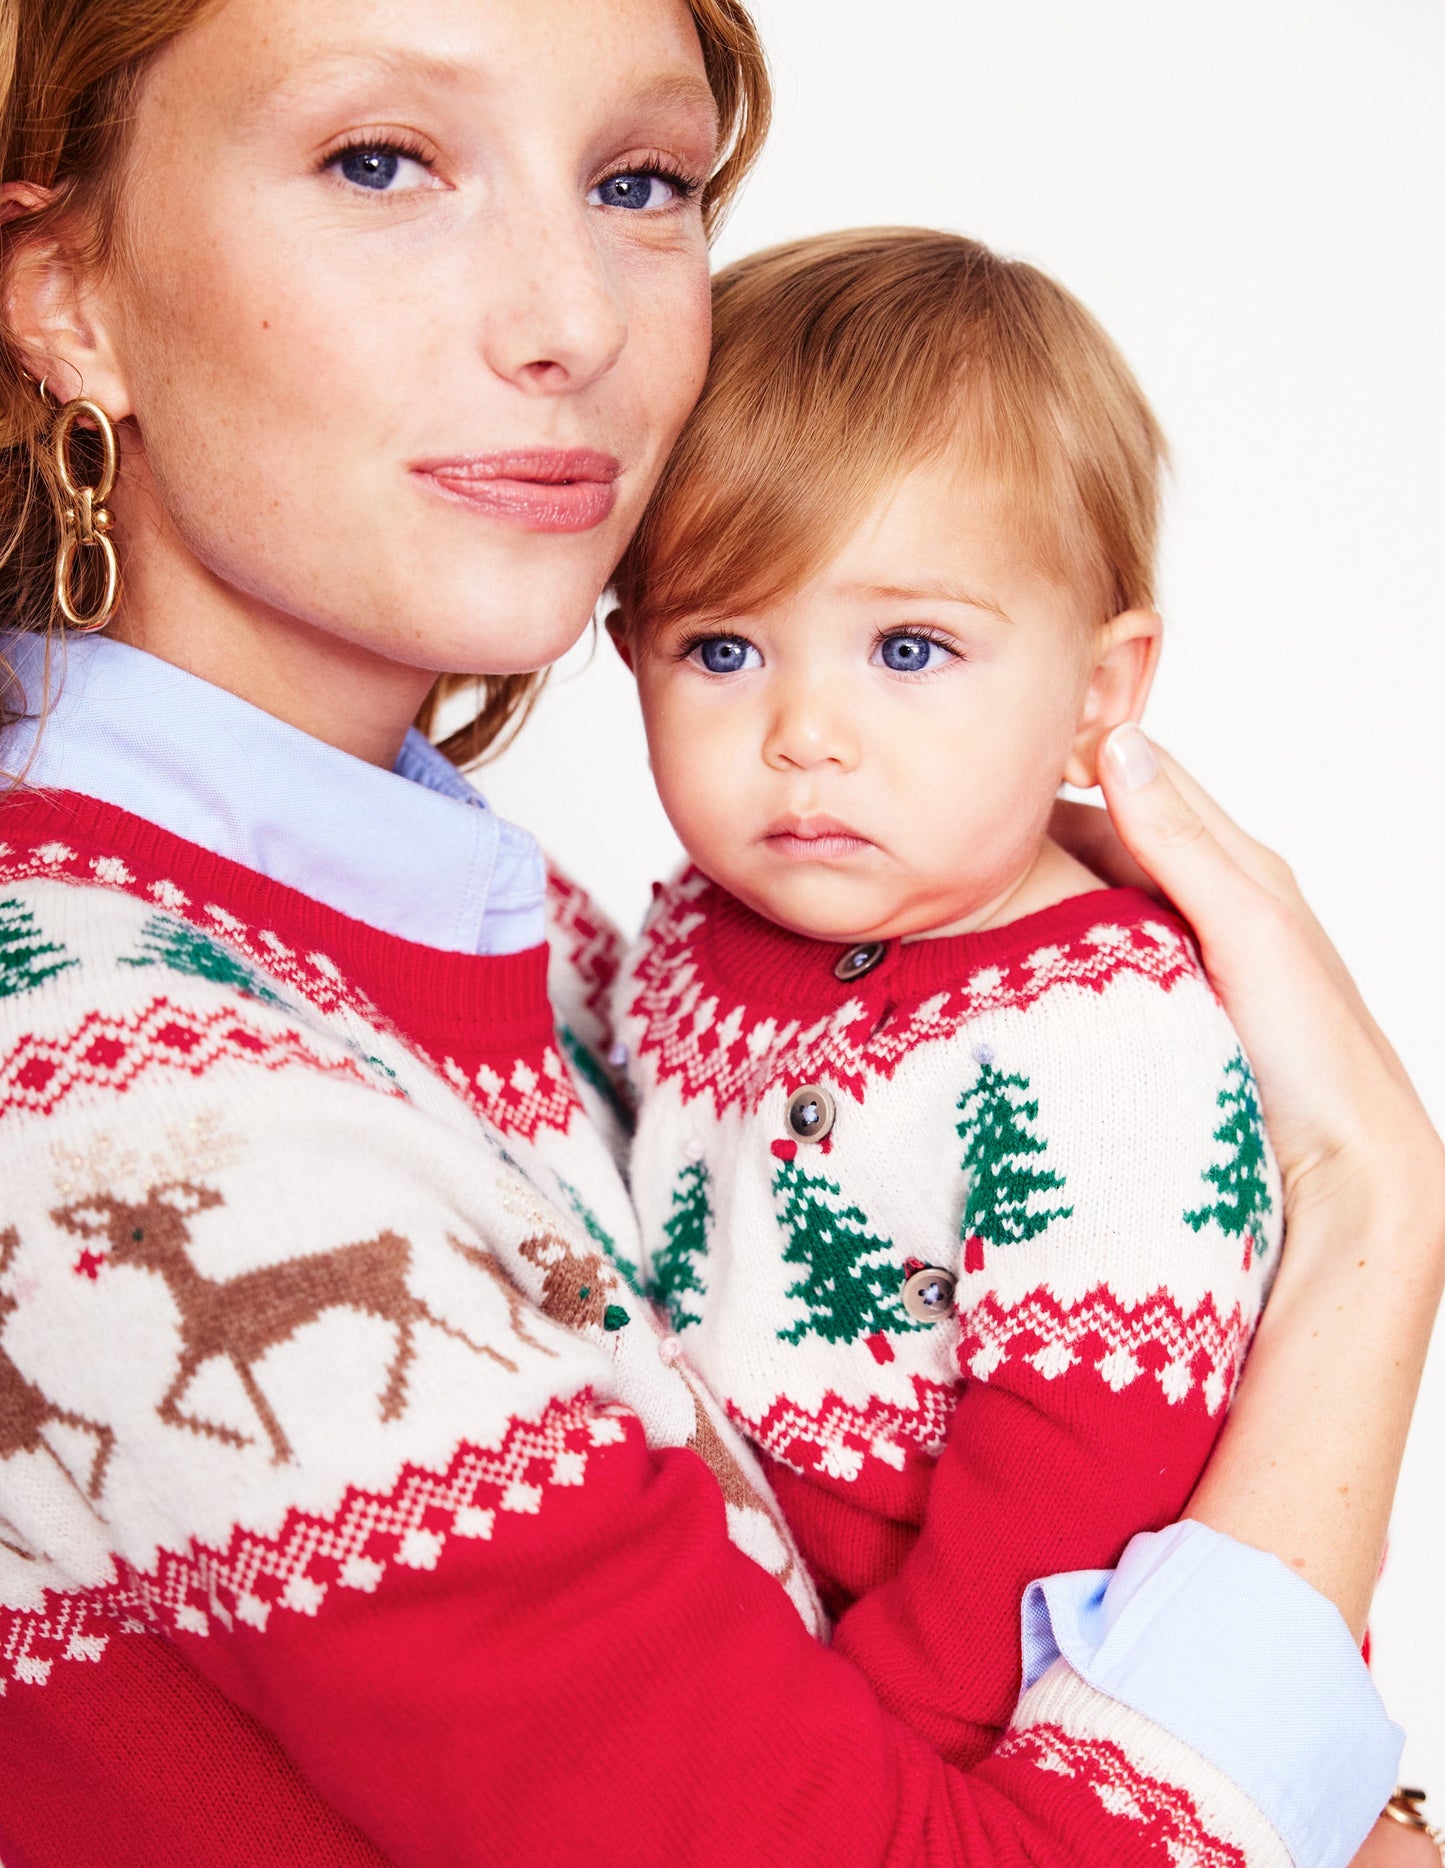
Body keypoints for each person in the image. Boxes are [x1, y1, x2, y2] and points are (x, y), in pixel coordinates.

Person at [0, 1, 1439, 1864]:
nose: (575, 322)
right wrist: (1373, 1227)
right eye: (382, 161)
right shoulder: (156, 1102)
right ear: (64, 297)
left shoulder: (538, 950)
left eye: (637, 182)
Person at [606, 225, 1280, 1760]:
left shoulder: (1102, 1031)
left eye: (907, 647)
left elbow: (1082, 1470)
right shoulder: (684, 944)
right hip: (758, 1657)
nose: (804, 732)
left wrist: (872, 1744)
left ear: (1094, 696)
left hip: (1020, 1718)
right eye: (722, 646)